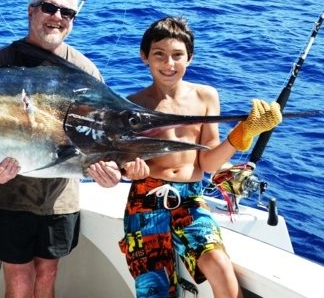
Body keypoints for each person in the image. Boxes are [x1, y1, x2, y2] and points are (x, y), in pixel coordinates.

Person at [0, 0, 122, 298]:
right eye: (49, 7)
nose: (58, 17)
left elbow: (104, 135)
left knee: (47, 275)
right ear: (31, 12)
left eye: (68, 13)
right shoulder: (0, 63)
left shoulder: (86, 71)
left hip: (58, 198)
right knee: (19, 280)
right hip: (7, 194)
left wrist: (112, 171)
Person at [114, 16, 281, 298]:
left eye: (177, 55)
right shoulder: (131, 105)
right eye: (160, 55)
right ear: (144, 57)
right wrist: (130, 171)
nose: (169, 64)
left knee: (220, 266)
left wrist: (243, 133)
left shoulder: (206, 97)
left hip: (191, 200)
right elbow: (124, 164)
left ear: (189, 58)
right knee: (154, 292)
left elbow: (208, 164)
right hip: (144, 201)